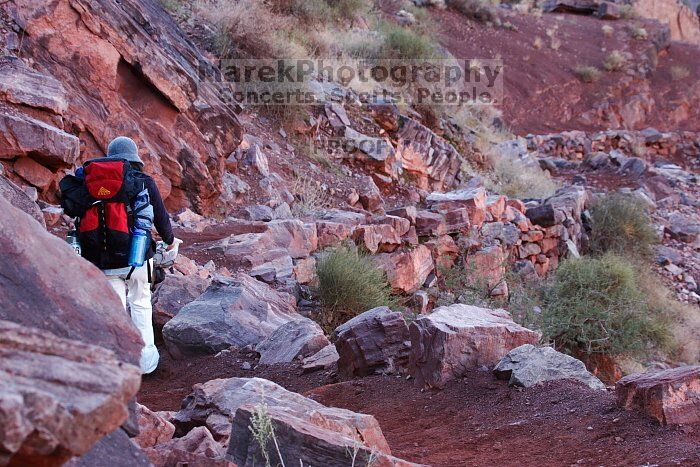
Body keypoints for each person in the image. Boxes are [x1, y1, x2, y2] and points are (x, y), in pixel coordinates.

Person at [88, 136, 175, 374]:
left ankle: (116, 364)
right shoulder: (143, 181)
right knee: (140, 304)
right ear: (134, 157)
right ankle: (146, 364)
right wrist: (169, 240)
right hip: (137, 256)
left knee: (114, 309)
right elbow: (161, 218)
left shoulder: (91, 182)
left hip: (103, 259)